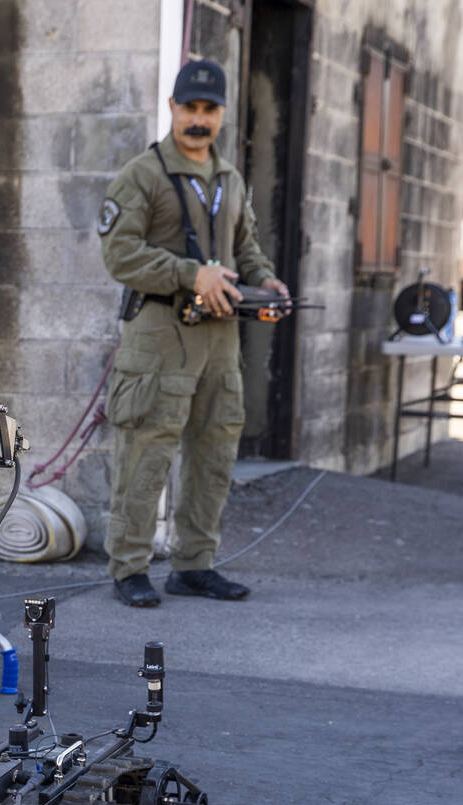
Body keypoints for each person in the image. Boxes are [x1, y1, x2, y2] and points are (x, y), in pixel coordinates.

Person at [97, 59, 289, 606]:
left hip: (220, 341)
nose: (199, 119)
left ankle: (195, 564)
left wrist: (264, 279)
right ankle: (128, 568)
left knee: (214, 456)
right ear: (173, 108)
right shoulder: (142, 174)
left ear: (222, 114)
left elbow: (244, 246)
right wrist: (191, 274)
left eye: (210, 110)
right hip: (158, 339)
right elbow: (120, 254)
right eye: (190, 108)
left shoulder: (229, 178)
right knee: (144, 458)